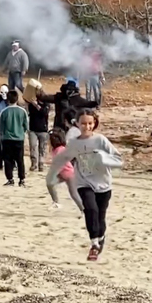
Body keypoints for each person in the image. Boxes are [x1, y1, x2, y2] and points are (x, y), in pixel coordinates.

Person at [46, 109, 123, 261]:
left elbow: (118, 159)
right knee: (90, 209)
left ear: (94, 124)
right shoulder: (74, 143)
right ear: (77, 124)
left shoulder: (101, 140)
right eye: (83, 123)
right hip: (83, 182)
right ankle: (94, 243)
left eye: (90, 123)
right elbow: (62, 158)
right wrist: (51, 176)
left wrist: (104, 159)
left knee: (100, 216)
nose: (87, 127)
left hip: (103, 183)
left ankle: (100, 237)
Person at [33, 78, 98, 132]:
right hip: (59, 124)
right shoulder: (59, 97)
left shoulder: (77, 99)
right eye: (67, 90)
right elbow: (45, 98)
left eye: (69, 90)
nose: (67, 92)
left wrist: (95, 103)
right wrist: (38, 92)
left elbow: (87, 103)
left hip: (71, 125)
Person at [46, 130, 84, 212]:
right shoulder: (55, 150)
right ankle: (56, 203)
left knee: (74, 194)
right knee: (50, 184)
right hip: (63, 173)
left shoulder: (60, 150)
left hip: (69, 174)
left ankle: (84, 210)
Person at [0, 90, 29, 187]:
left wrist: (1, 137)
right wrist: (20, 132)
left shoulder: (4, 112)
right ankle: (22, 179)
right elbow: (26, 126)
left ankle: (10, 179)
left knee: (7, 160)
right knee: (20, 160)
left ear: (8, 99)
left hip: (7, 139)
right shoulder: (22, 111)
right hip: (19, 139)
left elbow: (1, 128)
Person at [27, 94, 51, 172]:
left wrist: (37, 106)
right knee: (33, 146)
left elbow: (44, 112)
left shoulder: (46, 104)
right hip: (33, 129)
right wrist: (33, 103)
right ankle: (34, 164)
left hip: (43, 130)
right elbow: (30, 111)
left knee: (42, 148)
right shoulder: (31, 104)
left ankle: (41, 164)